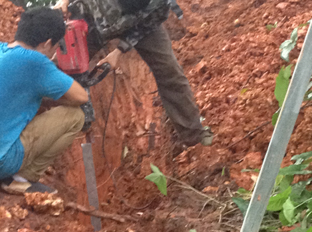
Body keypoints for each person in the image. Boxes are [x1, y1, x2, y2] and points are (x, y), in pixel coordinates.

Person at [0, 6, 89, 194]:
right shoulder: (36, 63)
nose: (54, 52)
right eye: (56, 46)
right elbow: (81, 96)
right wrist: (54, 93)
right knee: (75, 116)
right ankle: (21, 179)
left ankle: (2, 168)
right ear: (47, 42)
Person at [54, 0, 213, 153]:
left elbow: (151, 21)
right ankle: (56, 130)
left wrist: (119, 51)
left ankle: (193, 135)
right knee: (67, 64)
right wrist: (64, 1)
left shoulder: (158, 4)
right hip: (93, 21)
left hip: (139, 24)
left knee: (170, 72)